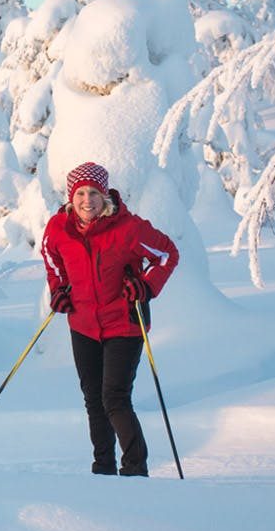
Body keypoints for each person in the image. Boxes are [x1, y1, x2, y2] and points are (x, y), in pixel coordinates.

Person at [41, 162, 179, 477]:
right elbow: (52, 259)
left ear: (105, 196)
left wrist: (145, 284)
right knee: (93, 399)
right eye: (80, 193)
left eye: (94, 193)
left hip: (124, 322)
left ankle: (135, 469)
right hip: (84, 325)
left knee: (114, 398)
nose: (87, 200)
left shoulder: (128, 228)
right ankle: (102, 468)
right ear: (70, 197)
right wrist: (59, 289)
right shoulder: (58, 229)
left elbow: (167, 254)